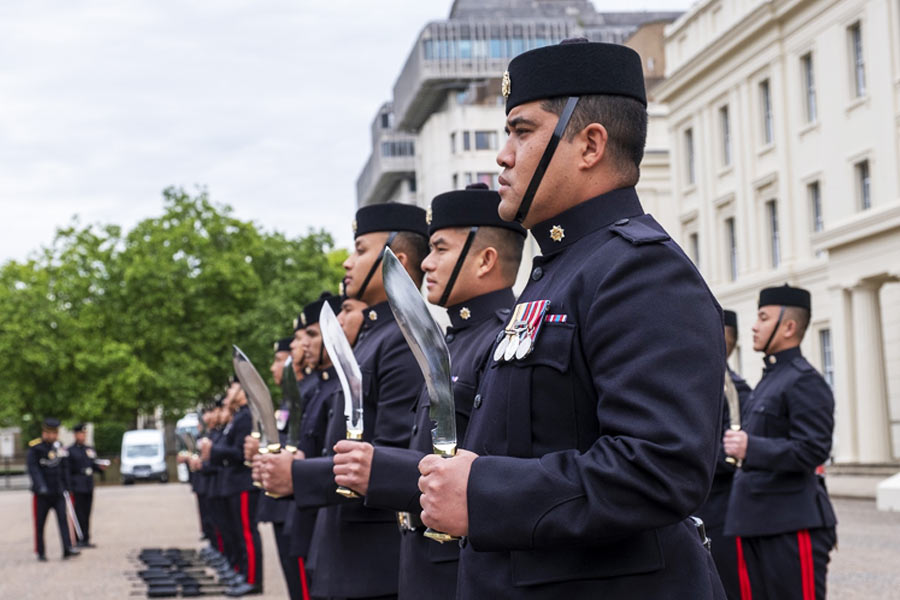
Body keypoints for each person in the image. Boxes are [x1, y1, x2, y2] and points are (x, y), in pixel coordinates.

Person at [416, 39, 727, 599]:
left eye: (522, 130)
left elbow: (661, 468)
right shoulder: (560, 271)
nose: (503, 156)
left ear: (589, 145)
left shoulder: (640, 270)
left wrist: (483, 491)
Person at [333, 183, 525, 599]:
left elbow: (495, 466)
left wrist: (378, 469)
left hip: (459, 567)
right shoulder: (453, 340)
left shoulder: (504, 341)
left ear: (486, 259)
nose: (426, 264)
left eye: (439, 249)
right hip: (422, 561)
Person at [261, 204, 428, 600]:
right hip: (341, 548)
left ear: (395, 260)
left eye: (359, 250)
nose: (347, 262)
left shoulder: (403, 340)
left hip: (373, 560)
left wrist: (299, 475)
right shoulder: (374, 339)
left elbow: (393, 457)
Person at [723, 285, 837, 600]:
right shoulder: (770, 380)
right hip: (753, 519)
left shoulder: (804, 380)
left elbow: (813, 449)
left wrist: (750, 448)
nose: (754, 326)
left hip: (790, 522)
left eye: (763, 318)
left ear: (788, 326)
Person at [697, 310, 753, 599]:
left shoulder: (737, 392)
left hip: (723, 508)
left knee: (729, 585)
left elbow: (734, 454)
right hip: (695, 504)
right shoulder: (695, 383)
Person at [211, 379, 263, 597]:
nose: (228, 393)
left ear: (242, 390)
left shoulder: (244, 417)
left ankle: (252, 578)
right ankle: (242, 572)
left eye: (232, 387)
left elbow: (240, 454)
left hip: (242, 481)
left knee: (246, 532)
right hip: (234, 482)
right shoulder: (238, 416)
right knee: (237, 532)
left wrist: (215, 449)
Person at [27, 418, 80, 561]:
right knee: (40, 524)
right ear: (44, 433)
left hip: (58, 491)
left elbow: (64, 468)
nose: (53, 436)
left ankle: (67, 548)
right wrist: (40, 486)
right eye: (50, 433)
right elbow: (34, 469)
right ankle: (41, 552)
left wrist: (68, 487)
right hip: (42, 493)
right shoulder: (35, 448)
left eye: (55, 433)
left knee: (63, 521)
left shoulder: (59, 447)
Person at [66, 423, 106, 548]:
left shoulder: (89, 449)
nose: (82, 436)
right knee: (78, 513)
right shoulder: (70, 451)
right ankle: (78, 539)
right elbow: (67, 470)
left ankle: (86, 538)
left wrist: (100, 468)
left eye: (84, 433)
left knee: (87, 512)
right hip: (77, 485)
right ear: (75, 434)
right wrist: (69, 486)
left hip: (88, 484)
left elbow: (93, 464)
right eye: (80, 433)